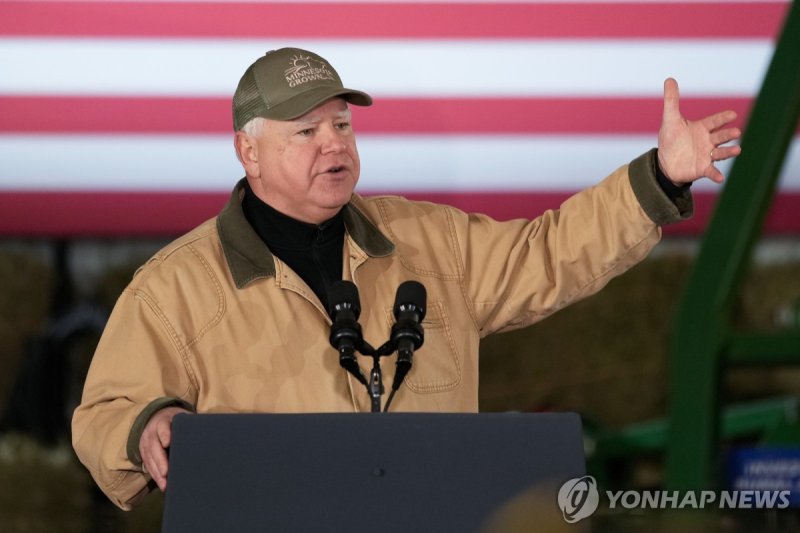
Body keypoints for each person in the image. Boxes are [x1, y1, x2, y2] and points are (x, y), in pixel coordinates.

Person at [71, 47, 741, 509]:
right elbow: (103, 415)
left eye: (343, 123)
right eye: (306, 131)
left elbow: (550, 253)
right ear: (248, 149)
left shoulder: (432, 242)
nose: (335, 143)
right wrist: (148, 424)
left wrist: (657, 179)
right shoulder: (175, 287)